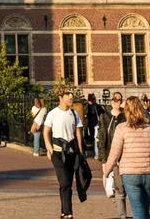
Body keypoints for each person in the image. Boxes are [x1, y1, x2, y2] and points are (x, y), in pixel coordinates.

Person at [102, 96, 150, 219]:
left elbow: (114, 153)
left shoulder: (122, 128)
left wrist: (107, 170)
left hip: (129, 172)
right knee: (145, 208)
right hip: (149, 172)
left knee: (137, 208)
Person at [43, 88, 84, 219]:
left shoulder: (74, 114)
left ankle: (63, 211)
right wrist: (49, 149)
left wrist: (81, 153)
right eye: (68, 95)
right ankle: (68, 212)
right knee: (64, 181)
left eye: (71, 95)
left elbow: (78, 133)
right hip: (58, 152)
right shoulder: (52, 114)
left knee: (66, 183)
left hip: (71, 152)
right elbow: (46, 132)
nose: (71, 97)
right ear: (61, 97)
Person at [97, 92, 128, 219]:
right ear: (111, 101)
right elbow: (102, 137)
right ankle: (122, 213)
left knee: (124, 186)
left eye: (119, 99)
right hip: (111, 153)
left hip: (124, 155)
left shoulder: (125, 116)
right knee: (115, 187)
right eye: (114, 99)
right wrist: (103, 158)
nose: (116, 101)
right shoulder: (104, 116)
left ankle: (124, 213)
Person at [86, 93, 101, 157]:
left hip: (94, 124)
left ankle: (96, 153)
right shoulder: (88, 106)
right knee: (92, 138)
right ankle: (95, 153)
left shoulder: (96, 106)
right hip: (90, 124)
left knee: (95, 138)